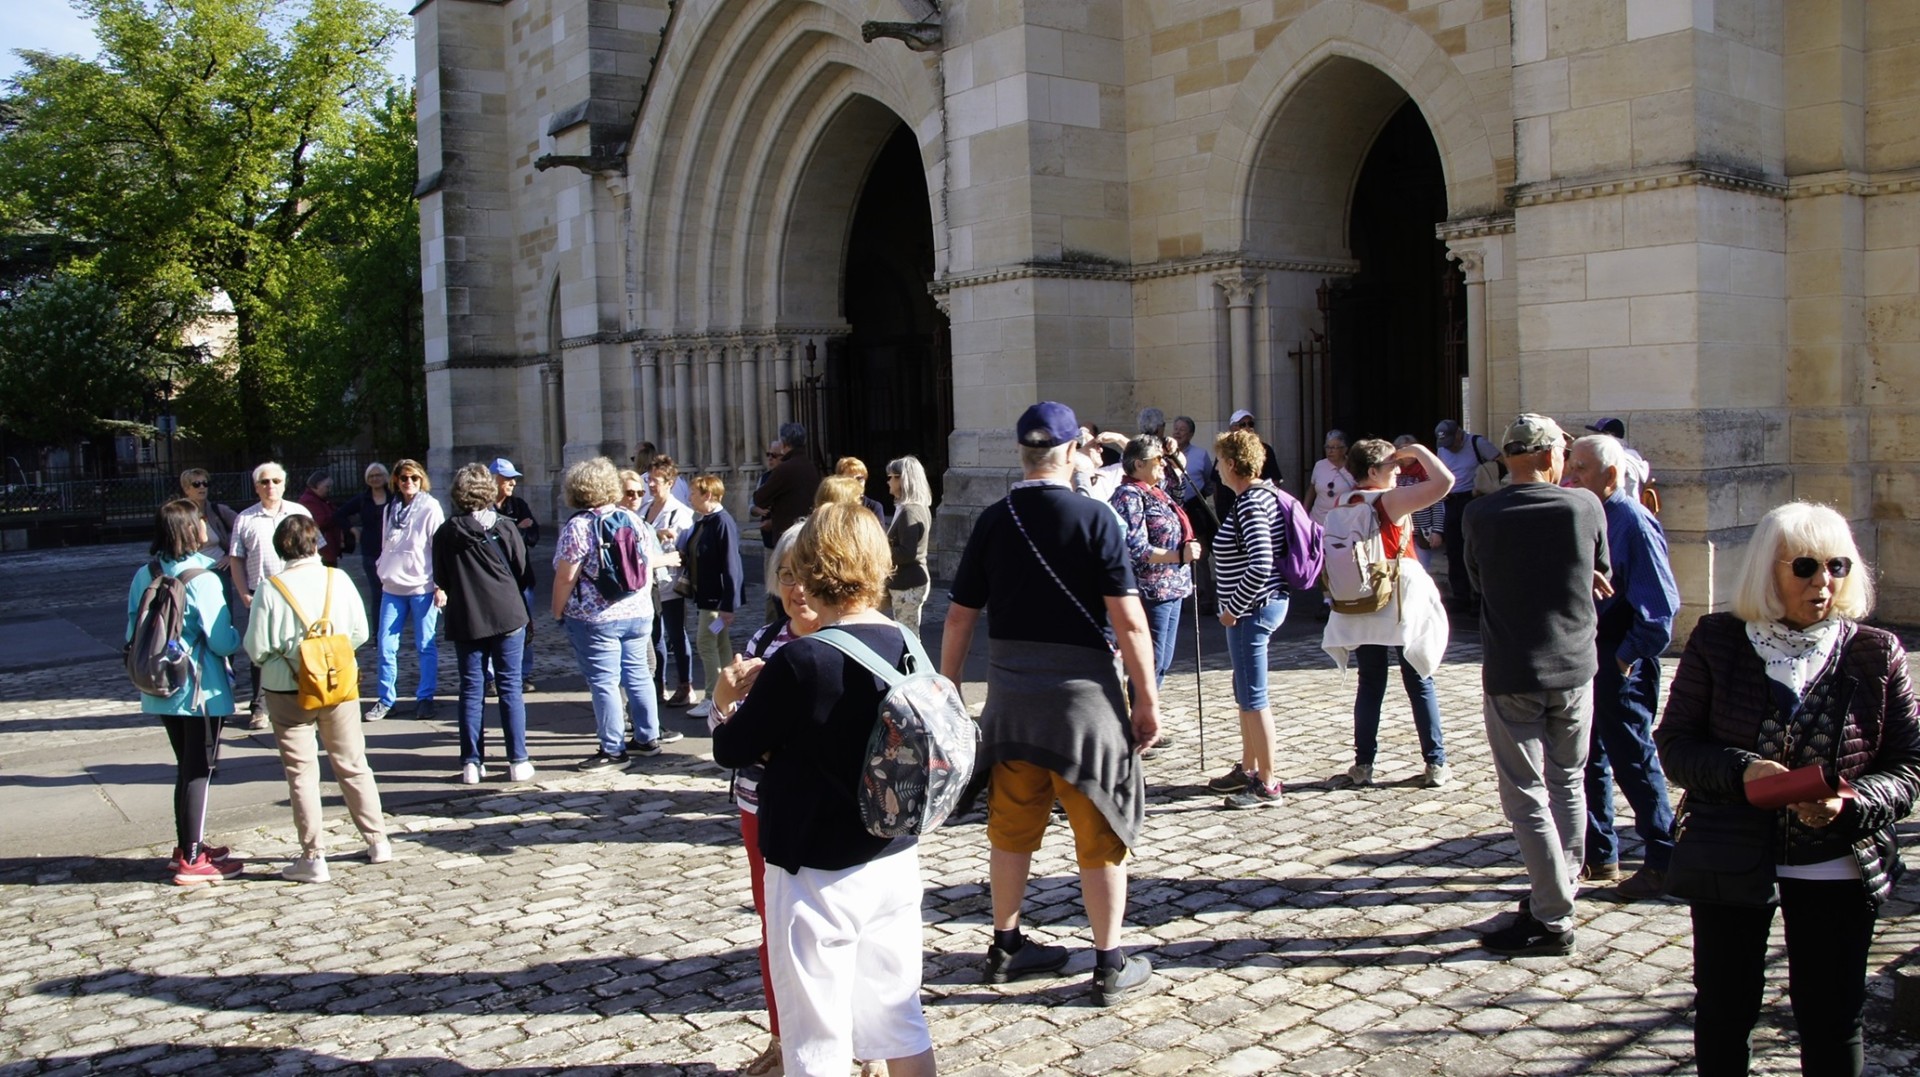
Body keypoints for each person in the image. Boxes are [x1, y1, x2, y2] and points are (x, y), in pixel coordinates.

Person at [1656, 502, 1920, 1077]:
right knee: (1725, 1008)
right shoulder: (1719, 640)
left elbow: (1909, 766)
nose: (1823, 582)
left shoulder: (1876, 652)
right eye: (1804, 567)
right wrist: (1741, 771)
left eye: (1837, 566)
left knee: (1832, 1015)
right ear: (1767, 571)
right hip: (1730, 852)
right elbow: (1675, 745)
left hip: (1837, 861)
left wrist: (1848, 802)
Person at [941, 400, 1161, 1007]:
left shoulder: (993, 520)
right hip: (1083, 707)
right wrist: (1146, 700)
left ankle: (1006, 948)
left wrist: (949, 688)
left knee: (1010, 830)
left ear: (1022, 452)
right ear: (1070, 452)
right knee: (1101, 831)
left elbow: (960, 617)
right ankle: (1109, 963)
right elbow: (1131, 624)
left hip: (1012, 707)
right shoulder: (1095, 519)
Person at [712, 505, 936, 1077]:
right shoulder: (907, 641)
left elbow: (731, 747)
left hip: (816, 866)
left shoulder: (803, 658)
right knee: (900, 1020)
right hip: (892, 854)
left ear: (812, 567)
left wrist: (723, 698)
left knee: (817, 1038)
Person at [1461, 413, 1611, 956]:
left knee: (1525, 795)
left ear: (1506, 459)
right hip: (1574, 666)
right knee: (1567, 781)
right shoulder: (1586, 506)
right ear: (1553, 458)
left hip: (1514, 668)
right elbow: (1601, 571)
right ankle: (1558, 892)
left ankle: (1553, 912)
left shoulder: (1480, 513)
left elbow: (1477, 580)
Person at [716, 522, 816, 1076]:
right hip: (762, 807)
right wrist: (724, 696)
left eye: (806, 574)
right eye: (785, 575)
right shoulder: (761, 642)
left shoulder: (851, 639)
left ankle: (865, 1046)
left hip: (830, 812)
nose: (796, 587)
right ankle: (784, 1043)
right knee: (774, 929)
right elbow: (725, 733)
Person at [1565, 434, 1680, 900]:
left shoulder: (1631, 520)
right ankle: (1600, 851)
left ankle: (1664, 858)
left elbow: (1660, 609)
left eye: (1582, 470)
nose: (1571, 477)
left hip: (1620, 656)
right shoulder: (1586, 513)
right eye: (1569, 466)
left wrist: (1624, 656)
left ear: (1611, 476)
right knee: (1589, 754)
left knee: (1634, 759)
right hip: (1591, 652)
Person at [244, 515, 390, 883]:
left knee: (301, 773)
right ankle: (378, 840)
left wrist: (292, 656)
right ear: (316, 542)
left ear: (281, 548)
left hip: (286, 688)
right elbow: (359, 632)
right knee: (353, 763)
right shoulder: (337, 579)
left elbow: (257, 649)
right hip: (337, 683)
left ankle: (314, 856)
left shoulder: (270, 588)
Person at [1319, 438, 1453, 789]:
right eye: (1392, 465)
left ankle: (1363, 764)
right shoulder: (1389, 501)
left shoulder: (1342, 501)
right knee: (1419, 678)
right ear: (1374, 471)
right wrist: (1419, 451)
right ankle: (1435, 762)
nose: (1398, 470)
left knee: (1370, 682)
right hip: (1396, 599)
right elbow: (1445, 483)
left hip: (1361, 601)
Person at [129, 499, 245, 886]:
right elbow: (223, 641)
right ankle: (192, 859)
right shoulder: (205, 578)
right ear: (188, 530)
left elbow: (133, 633)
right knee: (199, 772)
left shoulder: (144, 574)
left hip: (160, 686)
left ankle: (186, 845)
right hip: (202, 690)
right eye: (199, 523)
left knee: (184, 767)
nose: (205, 527)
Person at [552, 456, 681, 769]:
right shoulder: (632, 520)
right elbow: (647, 561)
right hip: (637, 611)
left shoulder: (579, 526)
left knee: (605, 681)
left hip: (598, 617)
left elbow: (566, 575)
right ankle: (648, 737)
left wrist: (557, 611)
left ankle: (612, 749)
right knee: (638, 675)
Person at [1204, 427, 1293, 810]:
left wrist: (1232, 608)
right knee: (1245, 691)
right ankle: (1249, 766)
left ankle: (1268, 782)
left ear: (1232, 463)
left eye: (1220, 461)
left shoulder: (1253, 502)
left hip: (1252, 609)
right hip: (1248, 610)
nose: (1217, 469)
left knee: (1254, 696)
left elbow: (1260, 564)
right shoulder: (1251, 498)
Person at [434, 462, 536, 785]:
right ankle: (518, 760)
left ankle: (471, 762)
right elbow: (522, 571)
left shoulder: (446, 532)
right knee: (510, 688)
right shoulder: (506, 528)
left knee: (471, 689)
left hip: (467, 616)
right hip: (507, 614)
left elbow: (442, 578)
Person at [1107, 436, 1198, 697]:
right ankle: (1140, 722)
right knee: (1150, 659)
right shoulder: (1129, 496)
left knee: (1163, 660)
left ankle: (1148, 715)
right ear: (1138, 464)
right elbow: (1135, 548)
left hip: (1172, 587)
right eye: (1157, 460)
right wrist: (1178, 555)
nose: (1162, 464)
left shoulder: (1156, 492)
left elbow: (1179, 492)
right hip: (1150, 590)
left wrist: (1174, 458)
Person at [228, 461, 314, 727]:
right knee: (260, 650)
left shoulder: (298, 512)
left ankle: (307, 696)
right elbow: (236, 559)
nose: (270, 486)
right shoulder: (245, 518)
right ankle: (259, 707)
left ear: (284, 484)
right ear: (256, 487)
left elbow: (314, 551)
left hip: (299, 591)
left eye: (275, 481)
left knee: (302, 645)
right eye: (264, 482)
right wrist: (243, 593)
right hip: (261, 592)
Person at [368, 459, 447, 723]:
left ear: (421, 478)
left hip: (421, 586)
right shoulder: (391, 507)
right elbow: (384, 542)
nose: (408, 482)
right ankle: (386, 698)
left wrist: (440, 585)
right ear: (396, 481)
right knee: (385, 644)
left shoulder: (430, 507)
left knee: (425, 644)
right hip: (392, 586)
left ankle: (425, 697)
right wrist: (382, 566)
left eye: (413, 477)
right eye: (403, 478)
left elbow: (439, 547)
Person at [686, 473, 746, 721]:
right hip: (706, 596)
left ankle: (712, 695)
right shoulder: (706, 520)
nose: (689, 498)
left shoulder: (722, 521)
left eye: (693, 493)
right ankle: (731, 691)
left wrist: (728, 604)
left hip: (716, 599)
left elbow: (732, 565)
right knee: (720, 644)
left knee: (706, 642)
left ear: (707, 495)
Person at [640, 457, 697, 707]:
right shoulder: (644, 509)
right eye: (649, 479)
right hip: (648, 584)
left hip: (670, 584)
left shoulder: (680, 512)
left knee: (675, 632)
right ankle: (658, 684)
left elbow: (684, 551)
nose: (651, 485)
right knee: (654, 636)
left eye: (656, 480)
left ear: (670, 482)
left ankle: (686, 685)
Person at [753, 423, 822, 619]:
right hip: (805, 535)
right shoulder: (810, 467)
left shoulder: (786, 469)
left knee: (784, 589)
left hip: (786, 537)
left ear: (784, 444)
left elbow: (760, 498)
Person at [1434, 419, 1499, 616]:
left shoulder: (1477, 443)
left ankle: (1479, 597)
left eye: (1452, 442)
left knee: (1474, 549)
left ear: (1460, 434)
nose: (1449, 448)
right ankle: (1460, 596)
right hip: (1451, 501)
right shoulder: (1443, 449)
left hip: (1473, 499)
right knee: (1454, 551)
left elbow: (1501, 463)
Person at [491, 457, 542, 690]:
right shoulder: (484, 508)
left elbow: (533, 534)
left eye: (514, 478)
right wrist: (515, 529)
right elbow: (491, 542)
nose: (512, 483)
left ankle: (523, 674)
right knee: (493, 627)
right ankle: (492, 678)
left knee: (525, 626)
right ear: (494, 480)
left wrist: (518, 533)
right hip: (493, 579)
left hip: (520, 577)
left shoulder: (518, 505)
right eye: (507, 478)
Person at [1169, 416, 1219, 616]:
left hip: (1194, 508)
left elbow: (1209, 481)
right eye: (1176, 428)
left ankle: (1205, 598)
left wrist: (1203, 495)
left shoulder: (1200, 454)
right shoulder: (1165, 453)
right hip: (1172, 508)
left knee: (1200, 553)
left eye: (1182, 429)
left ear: (1190, 433)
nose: (1177, 432)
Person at [884, 455, 933, 637]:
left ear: (902, 479)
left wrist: (879, 550)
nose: (888, 481)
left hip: (908, 582)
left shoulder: (910, 511)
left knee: (908, 636)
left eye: (891, 476)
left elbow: (907, 552)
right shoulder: (915, 508)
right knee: (907, 633)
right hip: (910, 580)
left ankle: (914, 666)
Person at [339, 462, 393, 616]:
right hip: (370, 551)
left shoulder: (394, 498)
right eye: (371, 476)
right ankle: (378, 632)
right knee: (377, 593)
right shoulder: (362, 499)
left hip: (391, 552)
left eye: (378, 475)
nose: (375, 479)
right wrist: (352, 530)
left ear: (385, 477)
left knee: (393, 592)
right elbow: (339, 515)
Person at [1208, 410, 1281, 522]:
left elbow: (1274, 480)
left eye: (1250, 424)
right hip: (1229, 509)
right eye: (1243, 424)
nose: (1247, 427)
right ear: (1233, 428)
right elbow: (1216, 483)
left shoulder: (1252, 504)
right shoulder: (1224, 452)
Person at [1393, 435, 1446, 573]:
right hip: (1400, 531)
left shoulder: (1426, 472)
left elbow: (1437, 503)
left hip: (1422, 532)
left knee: (1421, 570)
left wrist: (1437, 531)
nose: (1409, 454)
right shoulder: (1392, 472)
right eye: (1405, 450)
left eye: (1412, 449)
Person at [178, 468, 239, 579]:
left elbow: (244, 527)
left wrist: (231, 555)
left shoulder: (218, 510)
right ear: (186, 489)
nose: (202, 487)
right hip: (192, 572)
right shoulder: (179, 514)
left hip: (219, 569)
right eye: (196, 484)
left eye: (205, 483)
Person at [1585, 418, 1651, 504]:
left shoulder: (1623, 462)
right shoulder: (1626, 455)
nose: (1593, 437)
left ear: (1611, 435)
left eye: (1598, 434)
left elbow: (1628, 496)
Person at [1301, 430, 1354, 528]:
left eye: (1334, 447)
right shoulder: (1319, 465)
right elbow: (1312, 490)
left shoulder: (1353, 467)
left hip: (1343, 523)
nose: (1330, 451)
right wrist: (1304, 512)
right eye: (1327, 447)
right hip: (1317, 521)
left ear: (1344, 449)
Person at [297, 471, 344, 567]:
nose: (329, 490)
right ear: (318, 485)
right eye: (327, 487)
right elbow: (321, 521)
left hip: (326, 548)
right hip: (321, 550)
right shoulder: (309, 501)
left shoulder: (319, 500)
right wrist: (336, 515)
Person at [835, 456, 886, 523]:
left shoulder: (874, 507)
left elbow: (879, 533)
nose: (855, 482)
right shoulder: (833, 507)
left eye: (859, 479)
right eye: (849, 479)